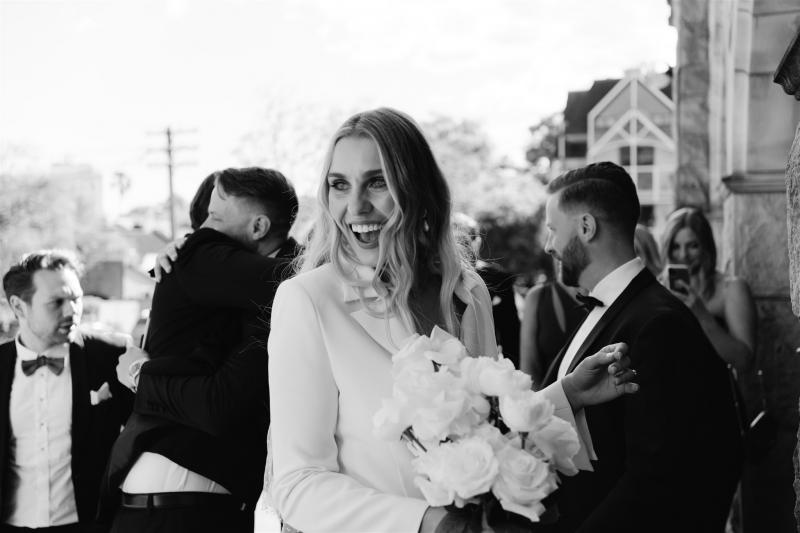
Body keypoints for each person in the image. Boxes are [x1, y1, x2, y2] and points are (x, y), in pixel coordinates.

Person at [268, 108, 638, 533]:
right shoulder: (308, 301)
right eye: (339, 185)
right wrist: (428, 523)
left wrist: (566, 395)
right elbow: (298, 484)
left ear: (416, 188)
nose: (355, 207)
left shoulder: (468, 293)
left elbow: (482, 434)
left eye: (377, 182)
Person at [540, 162, 743, 532]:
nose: (548, 244)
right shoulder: (607, 310)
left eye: (553, 229)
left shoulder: (659, 324)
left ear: (586, 227)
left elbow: (660, 477)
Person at [100, 168, 300, 533]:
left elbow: (219, 404)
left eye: (215, 217)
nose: (198, 233)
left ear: (258, 227)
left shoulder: (277, 284)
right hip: (162, 504)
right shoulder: (200, 255)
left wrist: (138, 377)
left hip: (194, 508)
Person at [0, 250, 133, 533]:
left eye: (76, 299)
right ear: (19, 306)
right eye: (56, 302)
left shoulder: (112, 355)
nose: (71, 310)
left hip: (88, 524)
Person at [660, 207, 756, 372]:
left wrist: (701, 314)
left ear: (706, 246)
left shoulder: (731, 288)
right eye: (676, 246)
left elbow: (744, 360)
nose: (683, 255)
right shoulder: (659, 288)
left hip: (715, 391)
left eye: (693, 246)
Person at [452, 212, 521, 367]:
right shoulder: (440, 279)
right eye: (457, 240)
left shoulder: (499, 277)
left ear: (478, 241)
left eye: (466, 240)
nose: (462, 247)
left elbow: (511, 329)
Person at [519, 258, 587, 390]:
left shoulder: (603, 295)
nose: (551, 248)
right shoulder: (537, 297)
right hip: (550, 404)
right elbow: (529, 374)